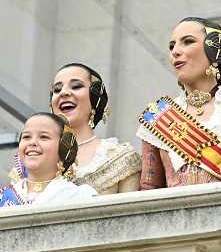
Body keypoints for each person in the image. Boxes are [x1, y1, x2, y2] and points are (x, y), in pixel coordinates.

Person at [137, 17, 221, 188]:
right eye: (171, 46)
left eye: (188, 42)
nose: (175, 51)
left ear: (215, 50)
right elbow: (148, 188)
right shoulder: (157, 118)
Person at [1, 112, 99, 252]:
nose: (32, 142)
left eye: (44, 137)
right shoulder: (3, 197)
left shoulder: (80, 197)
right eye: (26, 137)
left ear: (63, 148)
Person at [9, 63, 141, 195]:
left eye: (76, 86)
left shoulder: (121, 158)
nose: (64, 93)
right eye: (57, 89)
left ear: (95, 97)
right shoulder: (27, 163)